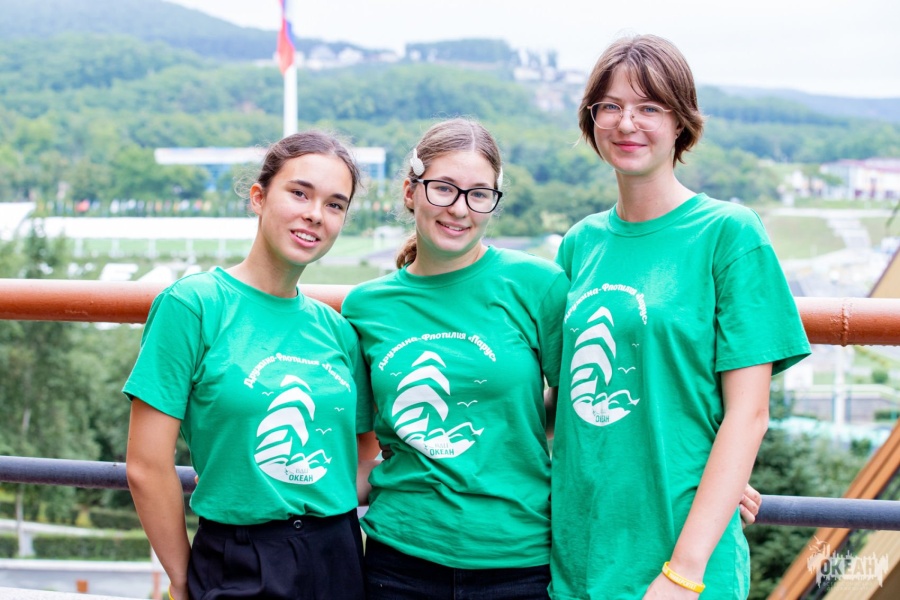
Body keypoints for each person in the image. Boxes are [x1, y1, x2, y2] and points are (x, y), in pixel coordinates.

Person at [548, 35, 811, 599]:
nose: (627, 123)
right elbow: (558, 399)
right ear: (591, 119)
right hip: (580, 554)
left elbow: (749, 414)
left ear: (680, 123)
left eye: (649, 107)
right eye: (610, 106)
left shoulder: (729, 234)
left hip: (682, 563)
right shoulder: (579, 244)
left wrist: (683, 573)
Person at [124, 131, 373, 600]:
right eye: (299, 193)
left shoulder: (337, 330)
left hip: (337, 555)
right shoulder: (194, 305)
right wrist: (182, 579)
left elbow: (363, 448)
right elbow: (146, 465)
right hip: (238, 558)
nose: (315, 214)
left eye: (335, 204)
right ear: (258, 197)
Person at [342, 118, 569, 599]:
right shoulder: (366, 307)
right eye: (443, 188)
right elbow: (359, 442)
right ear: (411, 191)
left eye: (479, 194)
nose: (460, 209)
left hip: (519, 561)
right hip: (398, 560)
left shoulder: (537, 285)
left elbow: (582, 403)